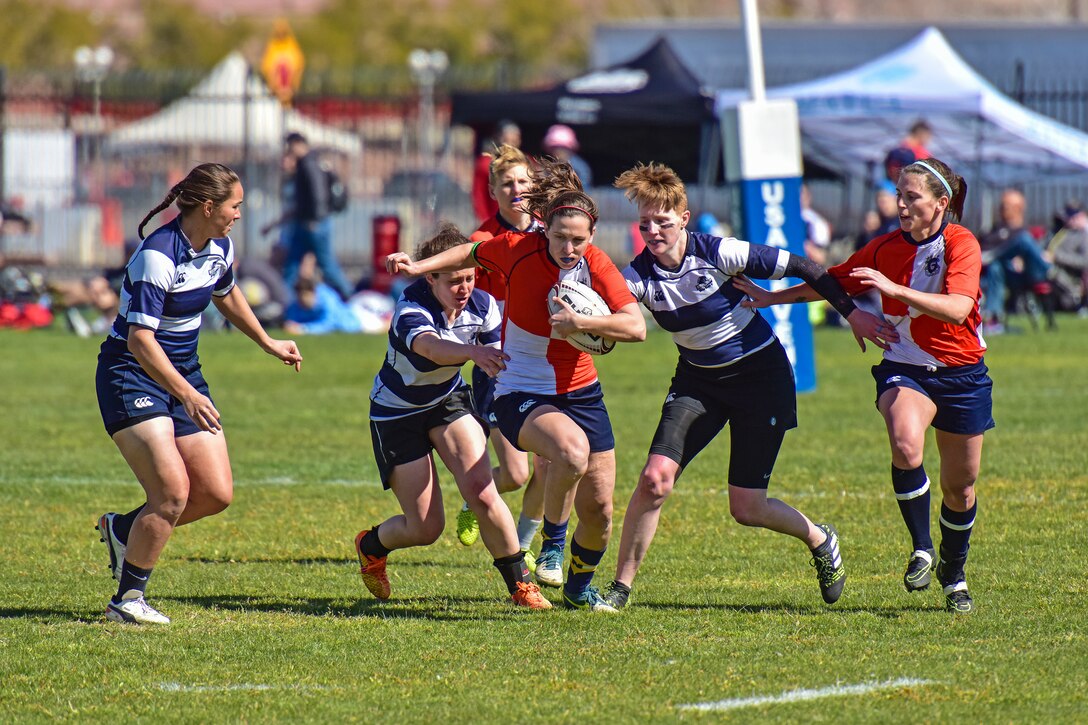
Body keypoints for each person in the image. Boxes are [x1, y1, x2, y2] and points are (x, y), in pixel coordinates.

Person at [599, 162, 889, 611]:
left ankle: (819, 538)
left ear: (684, 218)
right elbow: (611, 314)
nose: (653, 231)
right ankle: (620, 589)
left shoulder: (720, 252)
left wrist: (853, 314)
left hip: (761, 378)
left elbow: (809, 267)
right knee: (655, 480)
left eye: (662, 221)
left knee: (746, 508)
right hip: (699, 381)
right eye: (645, 223)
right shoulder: (638, 277)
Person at [386, 159, 646, 611]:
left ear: (592, 236)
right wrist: (417, 267)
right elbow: (469, 252)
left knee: (601, 511)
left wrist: (578, 322)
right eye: (560, 237)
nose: (569, 247)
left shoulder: (597, 264)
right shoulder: (515, 248)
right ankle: (551, 543)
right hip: (520, 388)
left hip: (582, 390)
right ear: (544, 227)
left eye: (578, 240)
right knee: (569, 453)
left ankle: (578, 588)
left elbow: (636, 326)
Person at [736, 157, 991, 614]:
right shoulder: (884, 247)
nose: (901, 204)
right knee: (905, 443)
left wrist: (892, 291)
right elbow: (831, 282)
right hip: (905, 366)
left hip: (962, 374)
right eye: (899, 195)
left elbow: (956, 308)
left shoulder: (961, 243)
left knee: (962, 487)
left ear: (940, 203)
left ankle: (954, 575)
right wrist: (773, 298)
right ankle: (921, 549)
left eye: (912, 197)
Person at [93, 163, 304, 625]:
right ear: (208, 207)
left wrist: (268, 342)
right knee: (171, 493)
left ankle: (124, 528)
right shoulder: (158, 255)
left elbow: (224, 293)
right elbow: (139, 341)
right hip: (132, 375)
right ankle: (127, 601)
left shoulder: (217, 246)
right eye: (235, 206)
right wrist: (186, 394)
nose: (239, 216)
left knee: (214, 493)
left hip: (182, 373)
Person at [355, 224, 551, 610]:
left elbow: (499, 359)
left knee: (481, 487)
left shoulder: (483, 305)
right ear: (431, 277)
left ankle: (521, 586)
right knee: (426, 528)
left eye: (470, 277)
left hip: (447, 401)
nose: (464, 288)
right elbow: (430, 348)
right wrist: (472, 354)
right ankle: (371, 545)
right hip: (397, 412)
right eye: (454, 281)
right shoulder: (410, 308)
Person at [454, 144, 549, 568]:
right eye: (507, 183)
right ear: (493, 191)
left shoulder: (552, 233)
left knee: (552, 462)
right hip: (499, 363)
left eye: (523, 182)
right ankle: (475, 499)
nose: (516, 190)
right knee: (515, 473)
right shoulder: (482, 241)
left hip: (547, 360)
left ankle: (525, 543)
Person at [280, 132, 354, 300]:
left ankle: (350, 296)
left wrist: (315, 219)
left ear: (298, 144)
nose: (289, 150)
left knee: (326, 265)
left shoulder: (309, 164)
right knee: (292, 265)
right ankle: (285, 303)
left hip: (313, 223)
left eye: (290, 145)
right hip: (307, 223)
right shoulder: (307, 163)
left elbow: (318, 194)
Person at [979, 189, 1054, 331]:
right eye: (1001, 206)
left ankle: (993, 319)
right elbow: (980, 252)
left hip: (1025, 274)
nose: (1002, 209)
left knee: (1023, 241)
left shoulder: (1025, 231)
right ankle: (1049, 269)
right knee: (996, 266)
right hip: (1000, 275)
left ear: (1019, 208)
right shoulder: (992, 232)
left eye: (1006, 206)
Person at [471, 120, 522, 223]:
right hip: (494, 221)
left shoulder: (524, 164)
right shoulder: (486, 163)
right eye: (506, 140)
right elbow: (479, 194)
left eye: (513, 140)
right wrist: (484, 220)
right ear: (498, 138)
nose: (509, 144)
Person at [1047, 200, 1088, 316]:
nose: (1067, 219)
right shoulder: (1060, 232)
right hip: (1051, 267)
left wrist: (1057, 257)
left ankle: (1076, 298)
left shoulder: (1082, 235)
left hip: (1069, 275)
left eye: (1072, 216)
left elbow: (1085, 261)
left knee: (1050, 270)